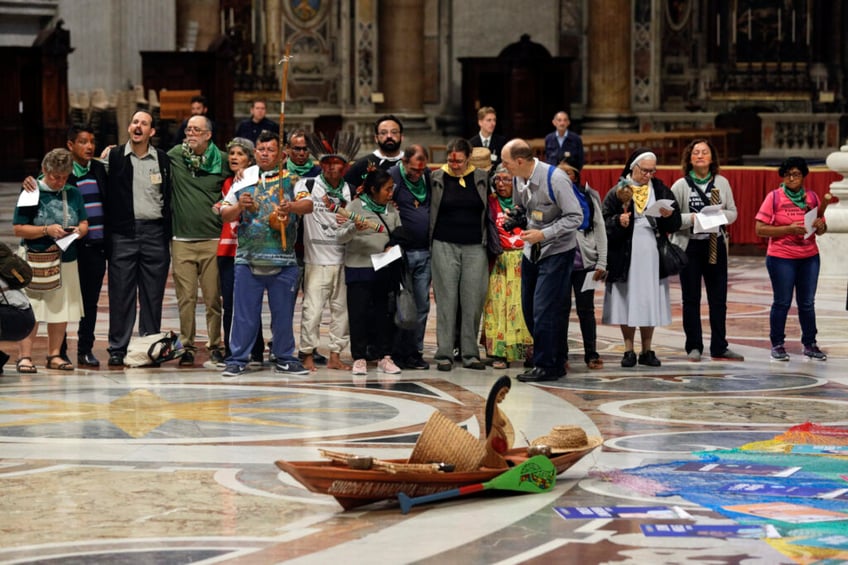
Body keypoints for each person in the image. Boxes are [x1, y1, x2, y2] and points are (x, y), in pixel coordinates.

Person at [219, 130, 312, 377]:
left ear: (281, 154)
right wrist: (240, 206)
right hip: (248, 258)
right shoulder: (244, 178)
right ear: (255, 152)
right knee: (244, 315)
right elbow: (225, 213)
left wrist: (291, 206)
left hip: (283, 259)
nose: (265, 154)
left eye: (271, 150)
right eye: (261, 149)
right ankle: (237, 359)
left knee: (283, 315)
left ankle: (284, 357)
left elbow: (308, 205)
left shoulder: (292, 179)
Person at [21, 125, 108, 367]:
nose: (89, 146)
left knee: (88, 302)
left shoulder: (99, 169)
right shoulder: (54, 178)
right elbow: (21, 223)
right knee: (57, 301)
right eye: (83, 141)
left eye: (92, 141)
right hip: (59, 250)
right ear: (70, 145)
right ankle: (57, 352)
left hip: (93, 246)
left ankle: (85, 349)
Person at [501, 139, 584, 382]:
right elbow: (524, 209)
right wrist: (516, 217)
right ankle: (555, 360)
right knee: (529, 308)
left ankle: (546, 364)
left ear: (519, 161)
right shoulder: (519, 177)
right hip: (531, 250)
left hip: (556, 251)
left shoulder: (555, 179)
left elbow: (575, 217)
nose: (503, 168)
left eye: (506, 163)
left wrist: (544, 234)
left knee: (544, 309)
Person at [104, 110, 172, 367]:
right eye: (134, 122)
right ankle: (118, 347)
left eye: (144, 123)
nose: (138, 126)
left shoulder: (163, 160)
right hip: (124, 234)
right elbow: (83, 174)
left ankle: (149, 345)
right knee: (121, 293)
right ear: (129, 127)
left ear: (151, 132)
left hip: (155, 233)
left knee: (153, 295)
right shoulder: (113, 157)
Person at [602, 148, 681, 368]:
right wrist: (618, 221)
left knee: (649, 299)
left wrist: (669, 216)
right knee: (627, 299)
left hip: (651, 252)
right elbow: (603, 222)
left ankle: (647, 349)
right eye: (644, 171)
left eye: (651, 171)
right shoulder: (618, 190)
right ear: (633, 167)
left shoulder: (659, 188)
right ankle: (628, 349)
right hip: (625, 253)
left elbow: (674, 222)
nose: (648, 175)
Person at [13, 148, 89, 372]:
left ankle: (54, 355)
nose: (60, 182)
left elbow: (84, 223)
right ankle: (24, 356)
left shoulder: (73, 193)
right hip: (35, 259)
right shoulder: (31, 191)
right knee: (31, 309)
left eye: (64, 177)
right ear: (45, 170)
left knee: (60, 308)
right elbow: (18, 229)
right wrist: (47, 229)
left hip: (65, 258)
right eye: (56, 177)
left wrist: (78, 231)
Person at [671, 139, 743, 362]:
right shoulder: (680, 185)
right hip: (690, 245)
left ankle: (719, 346)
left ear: (712, 158)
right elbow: (672, 219)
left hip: (714, 243)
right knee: (691, 298)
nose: (700, 156)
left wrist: (717, 217)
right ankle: (694, 346)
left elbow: (733, 212)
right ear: (689, 158)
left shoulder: (722, 182)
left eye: (704, 152)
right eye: (696, 153)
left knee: (718, 299)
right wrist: (693, 218)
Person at [167, 115, 228, 367]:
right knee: (186, 298)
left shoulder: (224, 160)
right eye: (188, 129)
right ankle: (187, 345)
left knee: (213, 299)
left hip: (212, 239)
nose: (190, 133)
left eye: (196, 130)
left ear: (208, 135)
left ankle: (215, 345)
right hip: (182, 239)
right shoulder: (174, 156)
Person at [297, 131, 360, 371]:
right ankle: (307, 354)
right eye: (327, 164)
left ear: (345, 167)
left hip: (344, 259)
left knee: (341, 312)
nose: (332, 169)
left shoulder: (351, 191)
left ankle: (335, 355)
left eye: (337, 165)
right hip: (315, 260)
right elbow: (302, 206)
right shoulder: (308, 185)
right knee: (311, 311)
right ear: (320, 165)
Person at [754, 157, 828, 362]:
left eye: (796, 174)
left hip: (809, 256)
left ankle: (810, 343)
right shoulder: (774, 197)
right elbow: (759, 229)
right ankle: (777, 344)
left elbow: (820, 228)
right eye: (788, 175)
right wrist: (788, 229)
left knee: (807, 303)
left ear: (804, 176)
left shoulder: (812, 197)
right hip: (781, 257)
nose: (792, 178)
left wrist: (821, 227)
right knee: (782, 301)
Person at [430, 138, 491, 371]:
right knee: (447, 300)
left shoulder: (482, 178)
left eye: (459, 160)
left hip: (476, 246)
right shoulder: (436, 178)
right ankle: (444, 352)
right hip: (444, 244)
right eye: (450, 160)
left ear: (468, 158)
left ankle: (470, 353)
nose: (454, 165)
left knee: (473, 300)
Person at [336, 169, 404, 377]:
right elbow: (340, 237)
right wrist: (353, 229)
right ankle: (359, 358)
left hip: (383, 267)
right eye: (387, 189)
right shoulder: (355, 207)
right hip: (358, 268)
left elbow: (399, 233)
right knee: (359, 314)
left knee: (383, 314)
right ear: (373, 189)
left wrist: (392, 246)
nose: (390, 193)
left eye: (391, 189)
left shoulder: (391, 210)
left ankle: (384, 356)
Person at [216, 137, 265, 365]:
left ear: (250, 157)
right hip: (228, 249)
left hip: (251, 248)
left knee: (251, 301)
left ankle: (256, 348)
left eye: (240, 154)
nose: (234, 157)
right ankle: (231, 350)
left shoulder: (260, 179)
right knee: (229, 304)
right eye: (232, 153)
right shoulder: (228, 182)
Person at [558, 158, 607, 370]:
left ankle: (591, 354)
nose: (563, 176)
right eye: (559, 173)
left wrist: (602, 261)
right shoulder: (553, 197)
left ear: (575, 176)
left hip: (585, 262)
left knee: (586, 310)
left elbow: (600, 229)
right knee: (560, 309)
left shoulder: (588, 196)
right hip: (560, 261)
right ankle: (561, 355)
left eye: (567, 173)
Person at [482, 165, 533, 370]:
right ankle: (499, 353)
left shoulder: (526, 202)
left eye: (506, 180)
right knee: (497, 307)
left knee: (522, 307)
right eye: (497, 180)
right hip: (499, 260)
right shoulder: (491, 203)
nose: (501, 184)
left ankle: (527, 351)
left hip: (523, 260)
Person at [388, 145, 432, 370]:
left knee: (422, 304)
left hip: (425, 252)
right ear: (404, 163)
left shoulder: (428, 178)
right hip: (402, 252)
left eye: (421, 170)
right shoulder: (393, 177)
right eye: (414, 169)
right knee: (403, 304)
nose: (418, 174)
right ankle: (397, 352)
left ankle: (415, 351)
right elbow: (380, 202)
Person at [344, 115, 404, 188]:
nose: (389, 136)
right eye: (383, 133)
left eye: (394, 132)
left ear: (401, 137)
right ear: (376, 138)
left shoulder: (411, 163)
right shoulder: (362, 165)